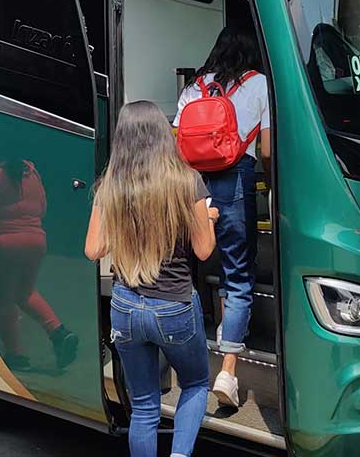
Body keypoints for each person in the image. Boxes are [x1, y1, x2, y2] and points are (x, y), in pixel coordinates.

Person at [85, 101, 218, 457]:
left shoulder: (110, 187)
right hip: (173, 305)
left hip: (126, 306)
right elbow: (204, 251)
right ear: (163, 135)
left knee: (144, 406)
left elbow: (93, 248)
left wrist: (125, 224)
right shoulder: (186, 181)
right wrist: (208, 218)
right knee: (196, 384)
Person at [173, 26, 271, 410]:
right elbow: (266, 150)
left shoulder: (194, 87)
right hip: (236, 182)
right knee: (238, 274)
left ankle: (189, 363)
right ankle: (228, 371)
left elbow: (176, 140)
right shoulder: (259, 84)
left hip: (192, 183)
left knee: (188, 269)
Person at [0, 159, 79, 371]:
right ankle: (59, 333)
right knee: (24, 292)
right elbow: (43, 208)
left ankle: (15, 355)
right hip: (36, 241)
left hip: (2, 244)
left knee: (2, 299)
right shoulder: (32, 175)